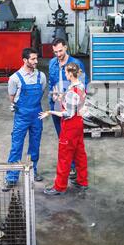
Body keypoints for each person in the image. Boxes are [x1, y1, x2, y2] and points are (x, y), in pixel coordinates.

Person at [39, 63, 88, 196]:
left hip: (70, 127)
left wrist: (50, 112)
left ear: (70, 74)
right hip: (78, 124)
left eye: (66, 73)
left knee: (64, 157)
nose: (65, 75)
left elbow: (67, 114)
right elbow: (75, 104)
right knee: (79, 154)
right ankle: (82, 181)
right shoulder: (80, 86)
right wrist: (60, 97)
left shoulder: (72, 91)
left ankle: (59, 187)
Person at [3, 48, 47, 192]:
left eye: (36, 59)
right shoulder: (14, 78)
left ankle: (33, 171)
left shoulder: (41, 76)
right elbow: (12, 97)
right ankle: (11, 178)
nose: (36, 61)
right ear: (25, 60)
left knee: (35, 144)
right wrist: (19, 107)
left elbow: (42, 91)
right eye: (33, 59)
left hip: (36, 114)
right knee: (16, 146)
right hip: (21, 115)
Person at [48, 38, 88, 180]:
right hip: (57, 105)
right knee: (62, 138)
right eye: (55, 52)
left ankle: (72, 168)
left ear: (66, 48)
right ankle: (71, 166)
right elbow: (51, 83)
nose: (58, 54)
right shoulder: (52, 63)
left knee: (71, 141)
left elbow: (83, 85)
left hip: (71, 107)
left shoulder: (76, 64)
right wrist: (53, 97)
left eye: (60, 51)